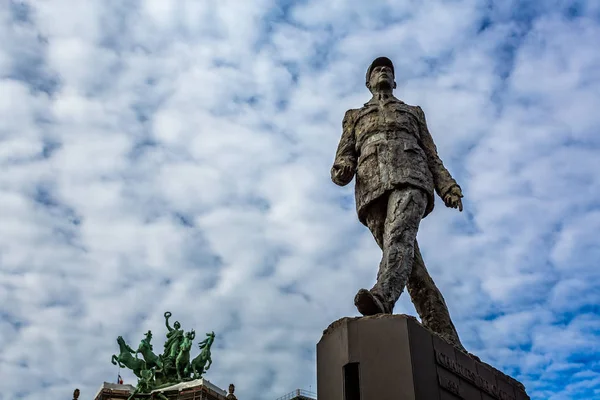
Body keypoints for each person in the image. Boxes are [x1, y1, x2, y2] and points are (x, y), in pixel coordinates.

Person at [331, 56, 465, 350]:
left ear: (395, 80)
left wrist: (447, 187)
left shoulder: (413, 112)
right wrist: (341, 168)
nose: (383, 72)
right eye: (377, 70)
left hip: (411, 178)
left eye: (387, 70)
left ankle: (382, 295)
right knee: (413, 269)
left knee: (399, 238)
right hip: (371, 189)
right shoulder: (354, 116)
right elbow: (345, 154)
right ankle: (447, 336)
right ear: (368, 83)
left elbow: (431, 155)